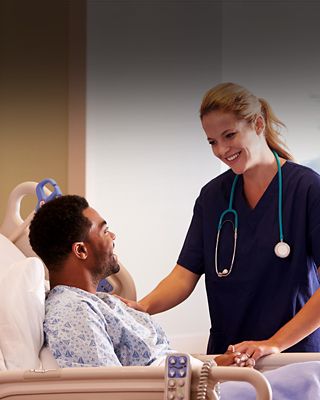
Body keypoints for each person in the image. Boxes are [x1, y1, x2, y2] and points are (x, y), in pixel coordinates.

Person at [121, 82, 320, 360]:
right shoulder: (213, 196)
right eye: (213, 142)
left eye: (229, 135)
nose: (222, 150)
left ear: (258, 124)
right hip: (228, 356)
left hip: (292, 356)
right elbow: (183, 275)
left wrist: (273, 343)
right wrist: (143, 307)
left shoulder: (308, 189)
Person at [28, 194, 249, 368]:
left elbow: (154, 363)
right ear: (81, 250)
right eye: (105, 231)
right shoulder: (73, 312)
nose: (113, 236)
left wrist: (210, 366)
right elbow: (110, 390)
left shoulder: (101, 302)